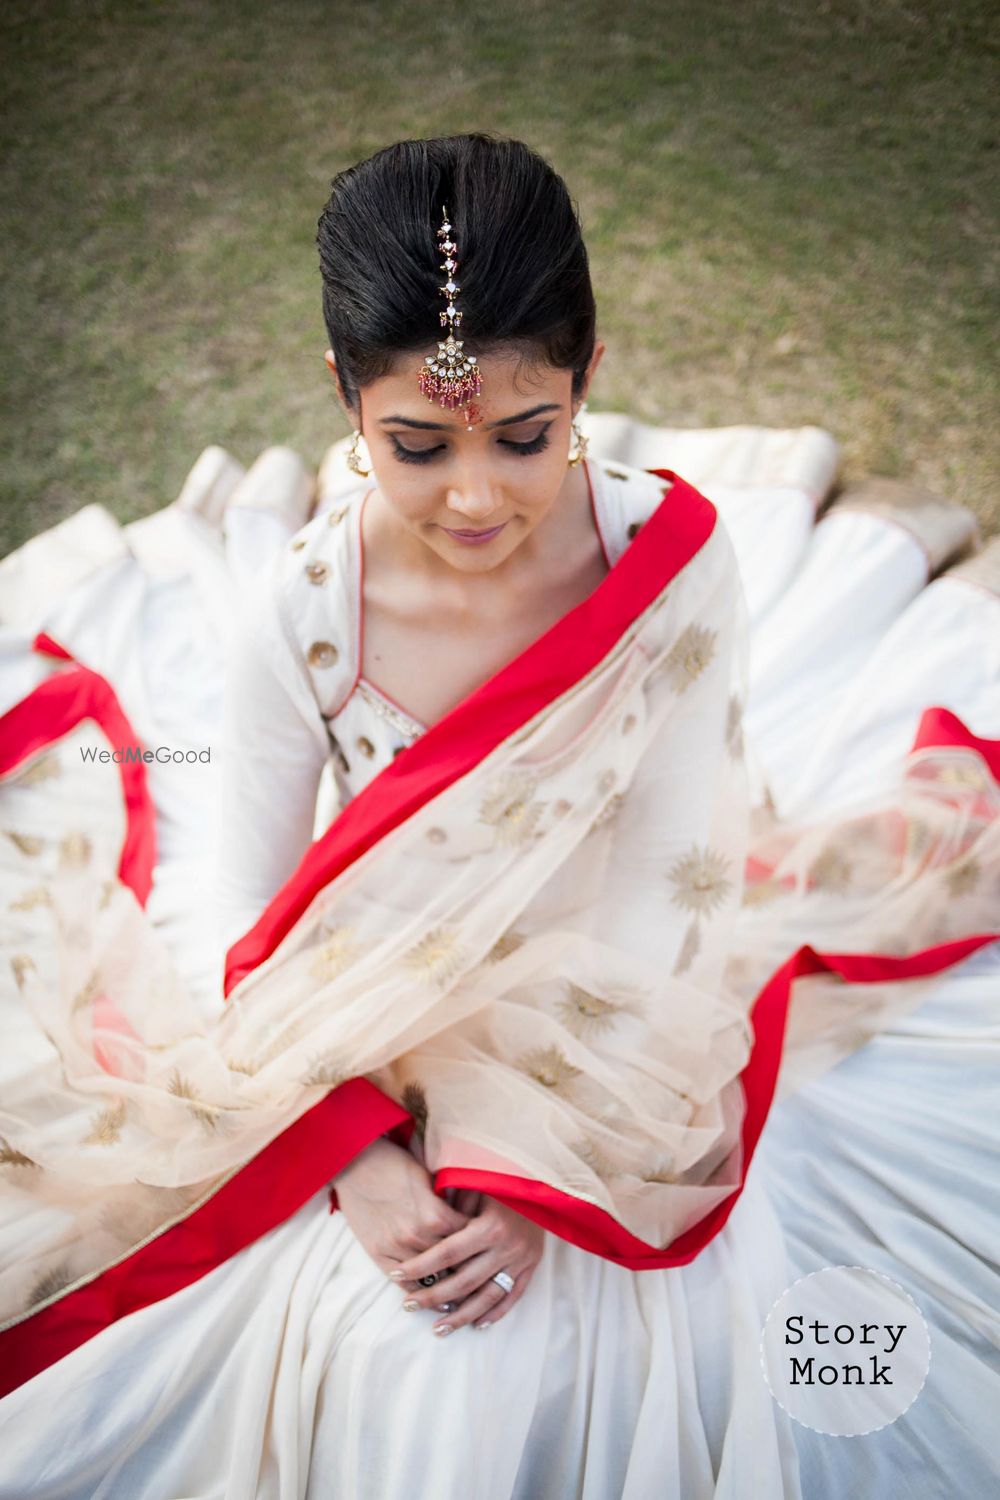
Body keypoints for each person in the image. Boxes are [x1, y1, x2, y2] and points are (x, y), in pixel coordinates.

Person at [0, 132, 997, 1498]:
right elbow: (246, 904)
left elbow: (668, 891)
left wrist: (540, 1166)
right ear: (346, 400)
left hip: (629, 1006)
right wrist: (346, 1153)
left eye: (526, 438)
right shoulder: (303, 611)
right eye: (417, 446)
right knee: (410, 1358)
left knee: (530, 1351)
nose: (477, 498)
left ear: (589, 378)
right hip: (369, 988)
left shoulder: (666, 574)